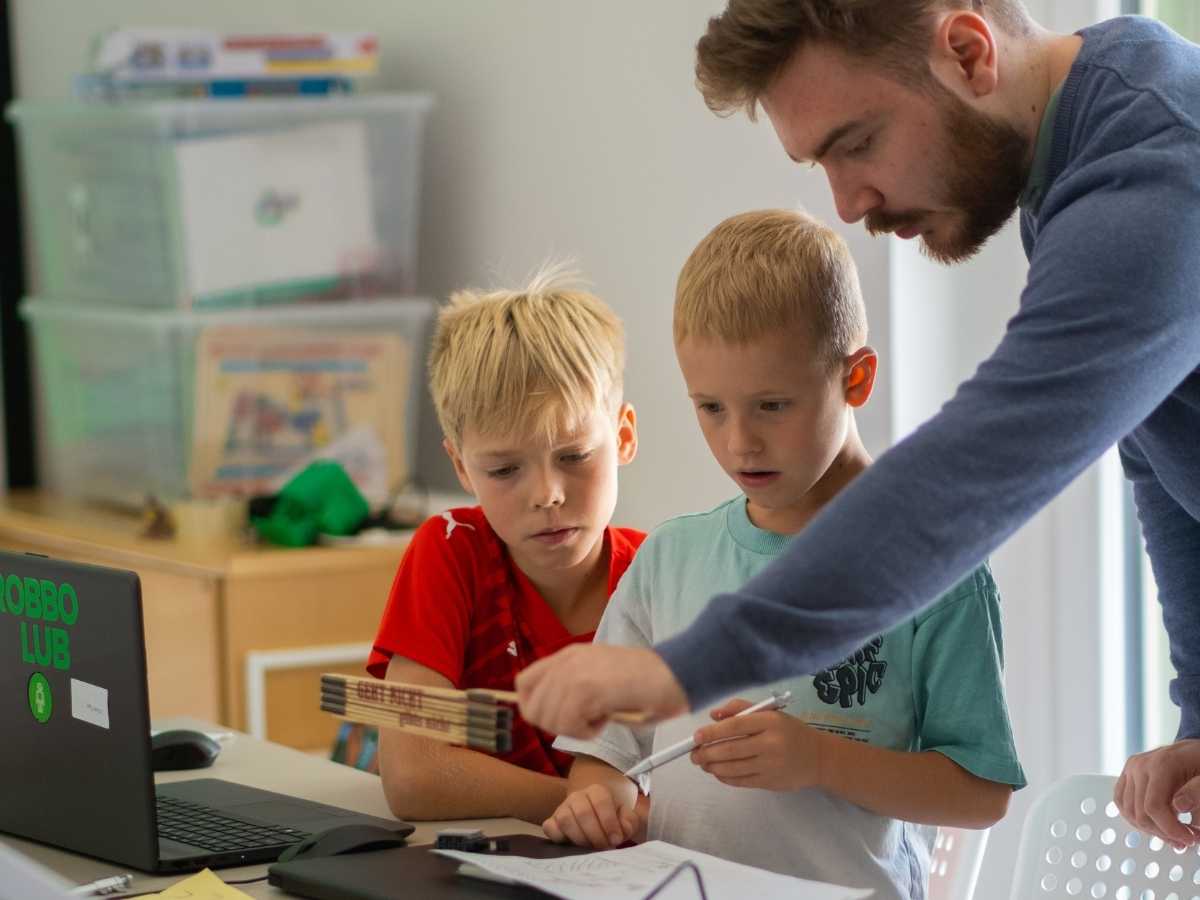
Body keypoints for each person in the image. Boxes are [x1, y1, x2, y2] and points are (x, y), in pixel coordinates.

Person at [516, 1, 1200, 850]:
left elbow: (968, 479)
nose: (847, 203)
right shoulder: (1093, 134)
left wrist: (679, 669)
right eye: (821, 163)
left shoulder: (1155, 175)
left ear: (968, 53)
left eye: (857, 143)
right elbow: (1164, 452)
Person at [542, 210, 1024, 898]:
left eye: (772, 405)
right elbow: (606, 759)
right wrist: (600, 800)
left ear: (856, 380)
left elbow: (981, 794)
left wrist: (820, 760)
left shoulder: (935, 569)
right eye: (711, 408)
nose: (739, 443)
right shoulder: (669, 558)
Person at [366, 269, 644, 823]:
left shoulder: (656, 574)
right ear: (460, 466)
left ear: (622, 436)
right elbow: (413, 776)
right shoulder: (451, 549)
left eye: (574, 456)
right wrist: (590, 808)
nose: (547, 494)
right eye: (504, 470)